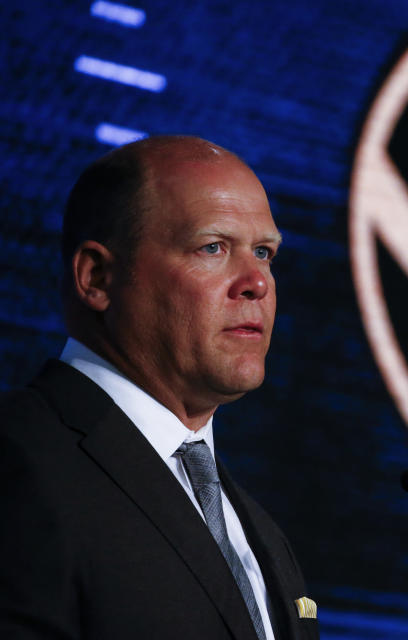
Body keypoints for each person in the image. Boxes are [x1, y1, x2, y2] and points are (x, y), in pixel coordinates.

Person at [0, 136, 318, 639]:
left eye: (264, 252)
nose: (256, 281)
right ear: (98, 277)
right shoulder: (18, 462)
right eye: (213, 247)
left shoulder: (259, 532)